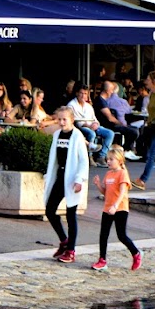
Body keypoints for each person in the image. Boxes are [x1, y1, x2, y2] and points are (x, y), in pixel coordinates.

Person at [43, 107, 90, 264]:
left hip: (72, 178)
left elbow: (83, 160)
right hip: (59, 177)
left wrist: (79, 179)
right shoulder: (57, 134)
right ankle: (64, 241)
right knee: (50, 210)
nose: (61, 122)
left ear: (72, 120)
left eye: (65, 119)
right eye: (59, 119)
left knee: (71, 215)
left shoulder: (77, 136)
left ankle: (71, 250)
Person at [91, 145, 142, 272]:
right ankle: (102, 260)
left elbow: (122, 192)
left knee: (121, 235)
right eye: (108, 159)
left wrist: (115, 205)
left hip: (120, 209)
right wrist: (98, 185)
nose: (108, 161)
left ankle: (136, 253)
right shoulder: (108, 174)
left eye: (111, 159)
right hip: (107, 208)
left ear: (119, 161)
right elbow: (105, 192)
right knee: (103, 234)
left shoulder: (123, 173)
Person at [68, 84, 114, 164]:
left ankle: (101, 156)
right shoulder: (71, 105)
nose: (83, 96)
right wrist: (88, 126)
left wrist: (96, 124)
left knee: (110, 133)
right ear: (77, 93)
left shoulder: (88, 106)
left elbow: (94, 119)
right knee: (91, 133)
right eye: (81, 93)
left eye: (85, 94)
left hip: (93, 126)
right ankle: (89, 156)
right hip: (81, 127)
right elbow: (75, 121)